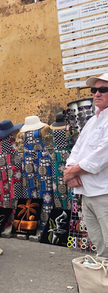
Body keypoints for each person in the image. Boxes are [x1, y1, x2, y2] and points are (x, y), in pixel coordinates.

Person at [64, 73, 108, 257]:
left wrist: (73, 172)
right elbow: (77, 148)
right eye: (94, 90)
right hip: (88, 192)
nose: (96, 93)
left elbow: (103, 153)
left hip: (104, 192)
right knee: (99, 243)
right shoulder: (93, 120)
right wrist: (70, 171)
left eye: (103, 89)